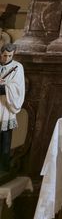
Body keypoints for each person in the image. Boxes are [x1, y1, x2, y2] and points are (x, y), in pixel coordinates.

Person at [0, 43, 25, 173]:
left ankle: (3, 167)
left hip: (6, 106)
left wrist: (4, 86)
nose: (7, 58)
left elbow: (17, 87)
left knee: (5, 139)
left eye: (10, 56)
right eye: (4, 55)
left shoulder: (17, 67)